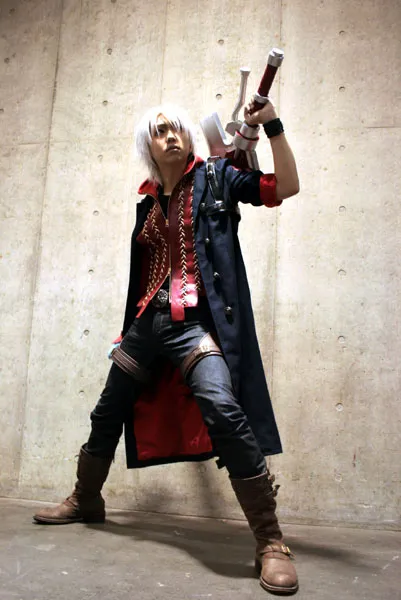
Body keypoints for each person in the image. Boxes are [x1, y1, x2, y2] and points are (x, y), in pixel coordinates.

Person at [33, 98, 300, 595]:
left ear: (189, 137)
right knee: (108, 410)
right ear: (148, 146)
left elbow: (285, 186)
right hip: (146, 324)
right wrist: (128, 326)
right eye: (160, 131)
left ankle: (270, 540)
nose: (171, 136)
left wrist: (273, 127)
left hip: (194, 326)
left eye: (177, 128)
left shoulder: (218, 179)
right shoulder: (148, 201)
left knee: (223, 408)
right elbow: (143, 274)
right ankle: (86, 498)